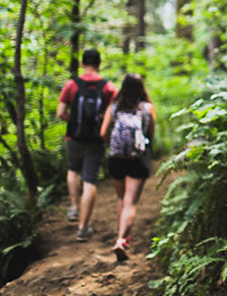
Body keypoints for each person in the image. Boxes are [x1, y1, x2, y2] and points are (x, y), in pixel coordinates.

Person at [57, 48, 117, 242]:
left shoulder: (72, 85)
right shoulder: (108, 87)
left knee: (73, 170)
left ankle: (73, 207)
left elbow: (60, 113)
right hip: (97, 140)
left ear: (82, 64)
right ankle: (83, 228)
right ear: (99, 64)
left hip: (73, 137)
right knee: (90, 180)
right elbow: (116, 113)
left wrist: (73, 120)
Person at [100, 73, 156, 261]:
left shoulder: (114, 107)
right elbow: (150, 133)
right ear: (142, 88)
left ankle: (121, 236)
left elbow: (103, 133)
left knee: (121, 198)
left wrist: (112, 146)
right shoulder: (147, 108)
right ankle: (122, 240)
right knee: (130, 202)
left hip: (116, 159)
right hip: (137, 159)